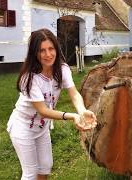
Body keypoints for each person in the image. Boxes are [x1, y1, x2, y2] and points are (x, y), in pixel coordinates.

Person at [7, 28, 97, 180]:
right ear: (34, 53)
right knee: (30, 173)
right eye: (42, 50)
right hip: (22, 128)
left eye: (51, 48)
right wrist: (71, 116)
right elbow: (42, 110)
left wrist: (82, 111)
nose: (48, 54)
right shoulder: (29, 78)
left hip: (42, 128)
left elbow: (74, 93)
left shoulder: (62, 69)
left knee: (45, 167)